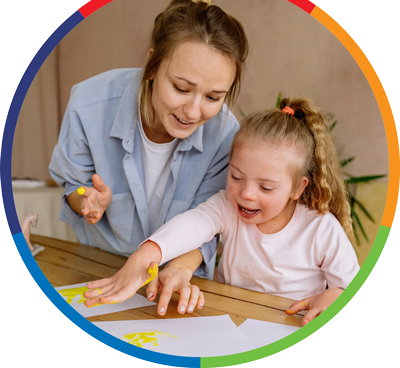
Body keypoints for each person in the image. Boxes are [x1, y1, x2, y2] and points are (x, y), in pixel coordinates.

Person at [48, 0, 249, 315]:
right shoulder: (89, 105)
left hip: (173, 285)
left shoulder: (226, 133)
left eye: (213, 97)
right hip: (98, 272)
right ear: (153, 67)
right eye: (181, 89)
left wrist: (180, 270)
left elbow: (212, 221)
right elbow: (74, 185)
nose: (194, 111)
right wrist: (86, 199)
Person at [83, 97, 360, 326]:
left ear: (297, 189)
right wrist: (144, 256)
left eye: (266, 187)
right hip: (231, 322)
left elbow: (353, 290)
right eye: (237, 177)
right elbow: (191, 225)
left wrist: (334, 296)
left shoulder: (320, 228)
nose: (246, 193)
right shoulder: (227, 206)